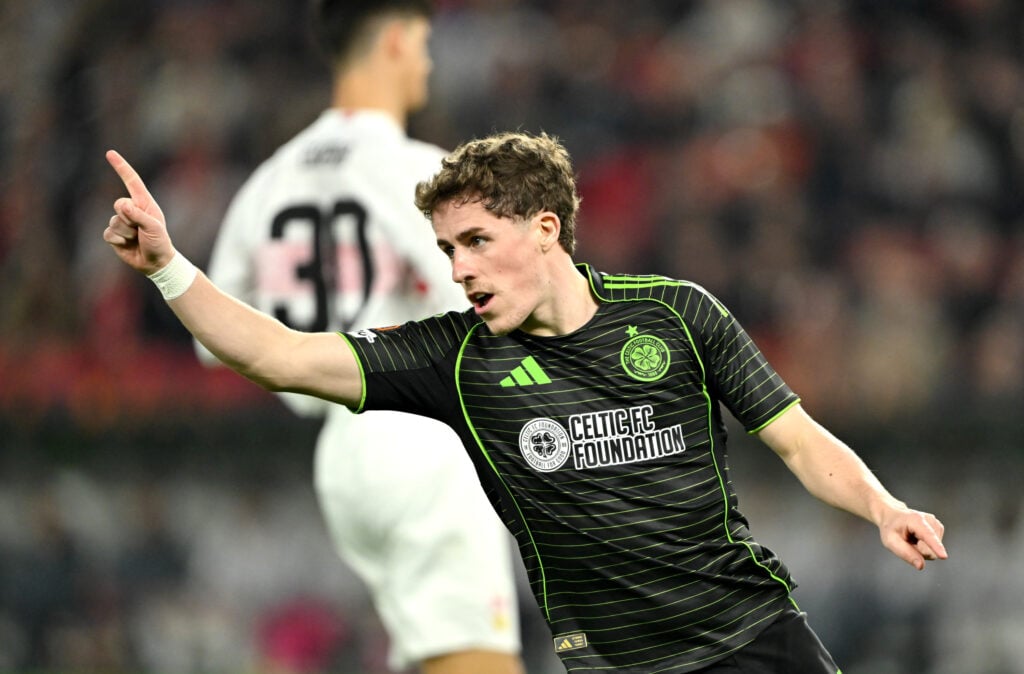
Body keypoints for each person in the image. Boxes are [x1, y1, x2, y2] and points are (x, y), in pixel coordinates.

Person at [103, 129, 948, 673]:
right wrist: (169, 268)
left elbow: (798, 441)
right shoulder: (453, 358)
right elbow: (278, 354)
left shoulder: (675, 314)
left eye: (476, 242)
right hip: (616, 664)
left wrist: (881, 506)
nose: (458, 268)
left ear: (546, 229)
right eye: (446, 249)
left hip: (756, 637)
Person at [191, 2, 525, 674]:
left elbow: (214, 338)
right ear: (398, 38)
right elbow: (495, 303)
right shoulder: (417, 170)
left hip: (341, 453)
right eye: (426, 42)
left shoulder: (270, 181)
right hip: (421, 439)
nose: (429, 60)